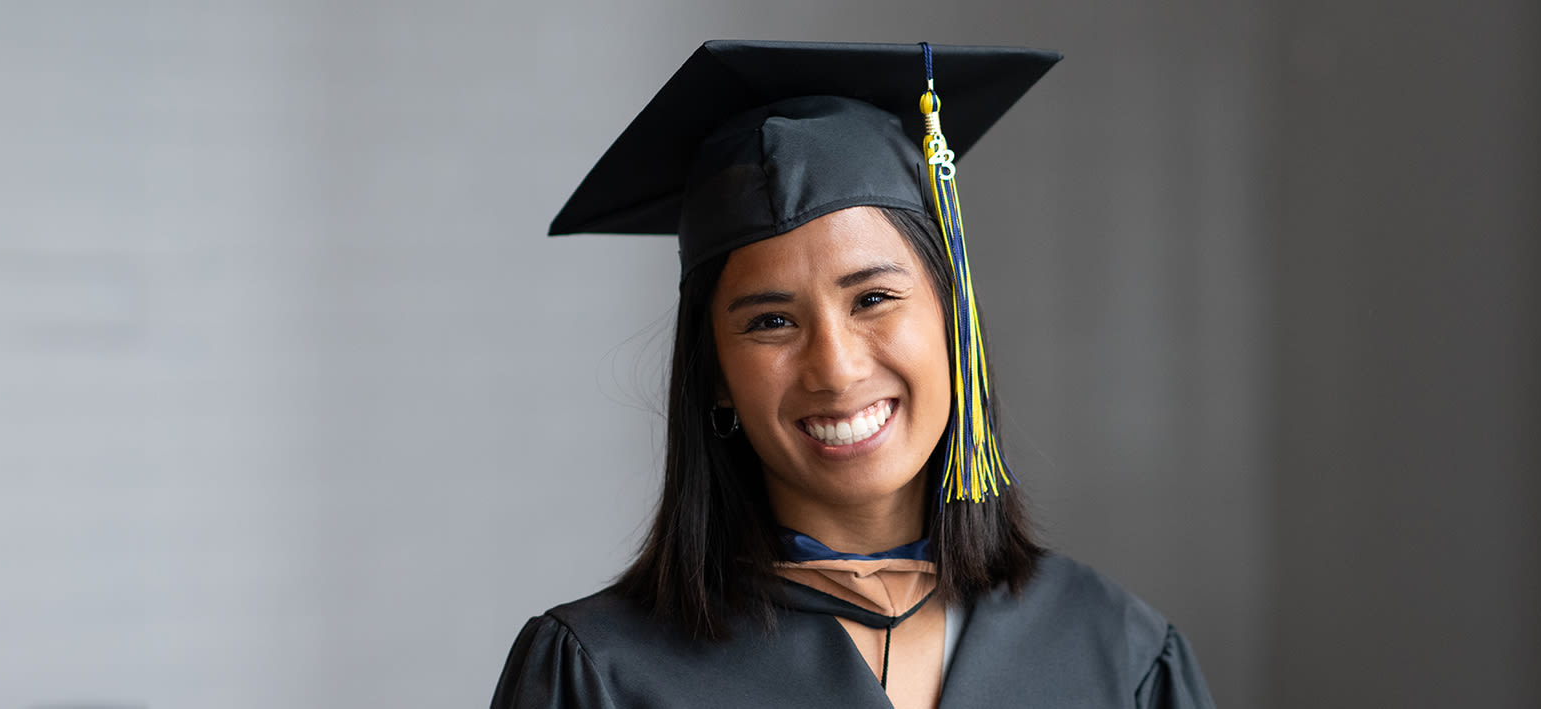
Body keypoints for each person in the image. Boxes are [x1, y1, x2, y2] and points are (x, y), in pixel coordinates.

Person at [492, 40, 1216, 708]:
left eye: (873, 298)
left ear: (954, 321)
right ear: (715, 373)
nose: (835, 369)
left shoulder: (1119, 654)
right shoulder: (602, 676)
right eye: (771, 321)